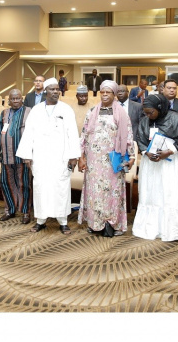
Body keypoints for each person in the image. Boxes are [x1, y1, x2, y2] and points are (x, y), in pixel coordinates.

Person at [16, 77, 80, 234]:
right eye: (52, 89)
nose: (56, 92)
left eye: (57, 89)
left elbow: (73, 133)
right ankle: (40, 220)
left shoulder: (66, 109)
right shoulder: (36, 110)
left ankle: (63, 221)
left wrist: (73, 157)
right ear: (45, 91)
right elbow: (28, 133)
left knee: (61, 188)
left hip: (61, 157)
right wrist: (27, 155)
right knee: (40, 187)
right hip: (40, 157)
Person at [78, 80, 135, 236]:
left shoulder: (122, 113)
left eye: (108, 92)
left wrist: (131, 156)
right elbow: (84, 135)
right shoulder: (92, 111)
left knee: (112, 191)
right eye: (102, 92)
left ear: (114, 94)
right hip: (94, 160)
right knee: (94, 191)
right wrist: (81, 156)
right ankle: (95, 223)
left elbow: (128, 136)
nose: (104, 94)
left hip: (114, 159)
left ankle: (112, 224)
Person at [132, 94, 178, 242]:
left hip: (170, 163)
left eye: (151, 112)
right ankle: (151, 228)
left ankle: (169, 230)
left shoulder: (174, 118)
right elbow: (140, 138)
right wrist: (147, 152)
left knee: (169, 194)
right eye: (146, 112)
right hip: (151, 164)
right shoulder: (145, 120)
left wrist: (169, 151)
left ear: (159, 108)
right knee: (151, 194)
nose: (148, 115)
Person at [0, 89, 32, 224]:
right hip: (6, 155)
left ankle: (26, 212)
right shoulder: (4, 113)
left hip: (23, 156)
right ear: (9, 100)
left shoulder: (29, 112)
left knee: (24, 184)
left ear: (22, 99)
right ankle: (9, 210)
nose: (15, 101)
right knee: (5, 182)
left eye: (18, 98)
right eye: (13, 99)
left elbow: (34, 132)